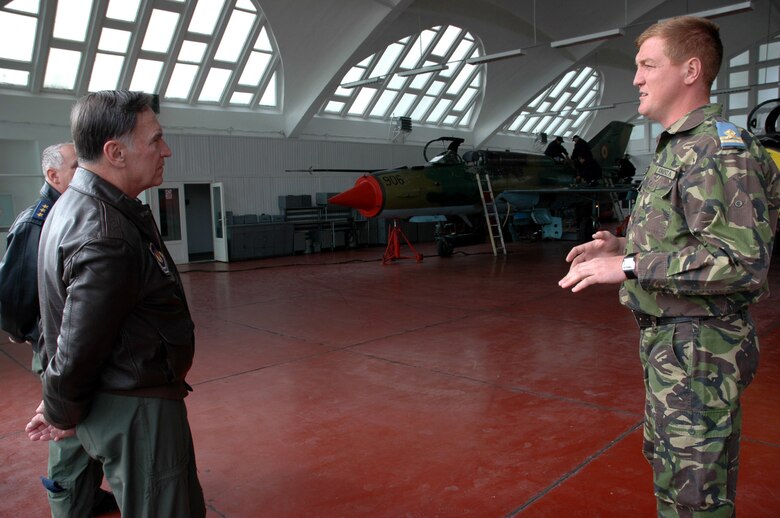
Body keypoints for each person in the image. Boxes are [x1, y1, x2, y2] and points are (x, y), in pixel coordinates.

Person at [559, 16, 780, 515]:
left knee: (694, 495)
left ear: (690, 70)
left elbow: (740, 262)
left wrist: (632, 265)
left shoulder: (719, 150)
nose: (636, 78)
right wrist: (618, 246)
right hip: (673, 347)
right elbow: (683, 235)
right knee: (674, 476)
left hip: (701, 350)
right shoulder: (679, 147)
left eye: (647, 65)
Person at [25, 90, 206, 517]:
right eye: (155, 139)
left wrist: (57, 403)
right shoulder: (104, 229)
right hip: (135, 407)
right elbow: (78, 343)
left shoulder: (80, 207)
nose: (166, 150)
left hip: (126, 398)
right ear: (115, 152)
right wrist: (59, 409)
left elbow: (70, 328)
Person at [0, 144, 116, 516]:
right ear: (53, 176)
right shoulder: (38, 222)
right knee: (68, 431)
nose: (86, 172)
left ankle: (87, 493)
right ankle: (68, 505)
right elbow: (13, 300)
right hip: (56, 349)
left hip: (71, 343)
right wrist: (35, 336)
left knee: (87, 422)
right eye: (75, 166)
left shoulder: (70, 213)